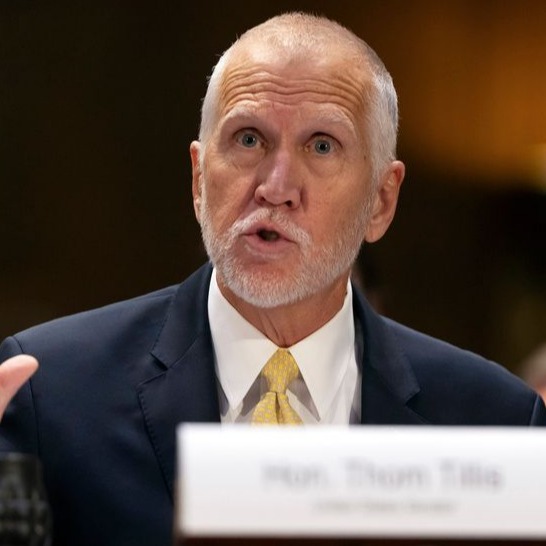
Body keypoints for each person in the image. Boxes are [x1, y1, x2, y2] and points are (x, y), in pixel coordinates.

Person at [1, 11, 545, 546]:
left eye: (322, 145)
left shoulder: (495, 424)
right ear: (198, 179)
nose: (277, 187)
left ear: (381, 200)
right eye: (248, 139)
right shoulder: (50, 395)